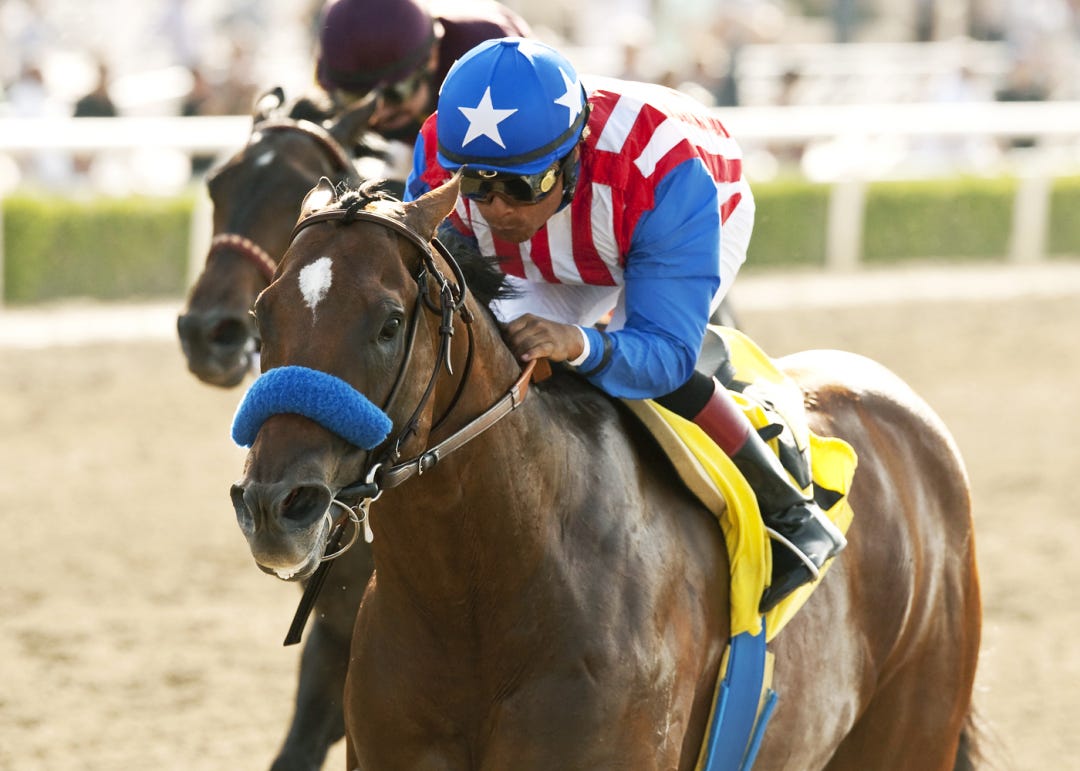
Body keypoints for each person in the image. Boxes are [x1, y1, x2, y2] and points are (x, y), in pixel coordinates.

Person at [405, 37, 847, 612]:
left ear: (572, 155)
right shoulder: (440, 153)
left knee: (636, 372)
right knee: (492, 354)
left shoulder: (664, 171)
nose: (497, 209)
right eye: (476, 186)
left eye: (519, 186)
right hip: (574, 225)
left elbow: (664, 353)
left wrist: (583, 343)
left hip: (675, 208)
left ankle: (787, 507)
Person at [314, 0, 531, 148]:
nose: (378, 113)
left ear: (433, 57)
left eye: (396, 92)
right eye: (356, 97)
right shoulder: (335, 70)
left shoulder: (491, 60)